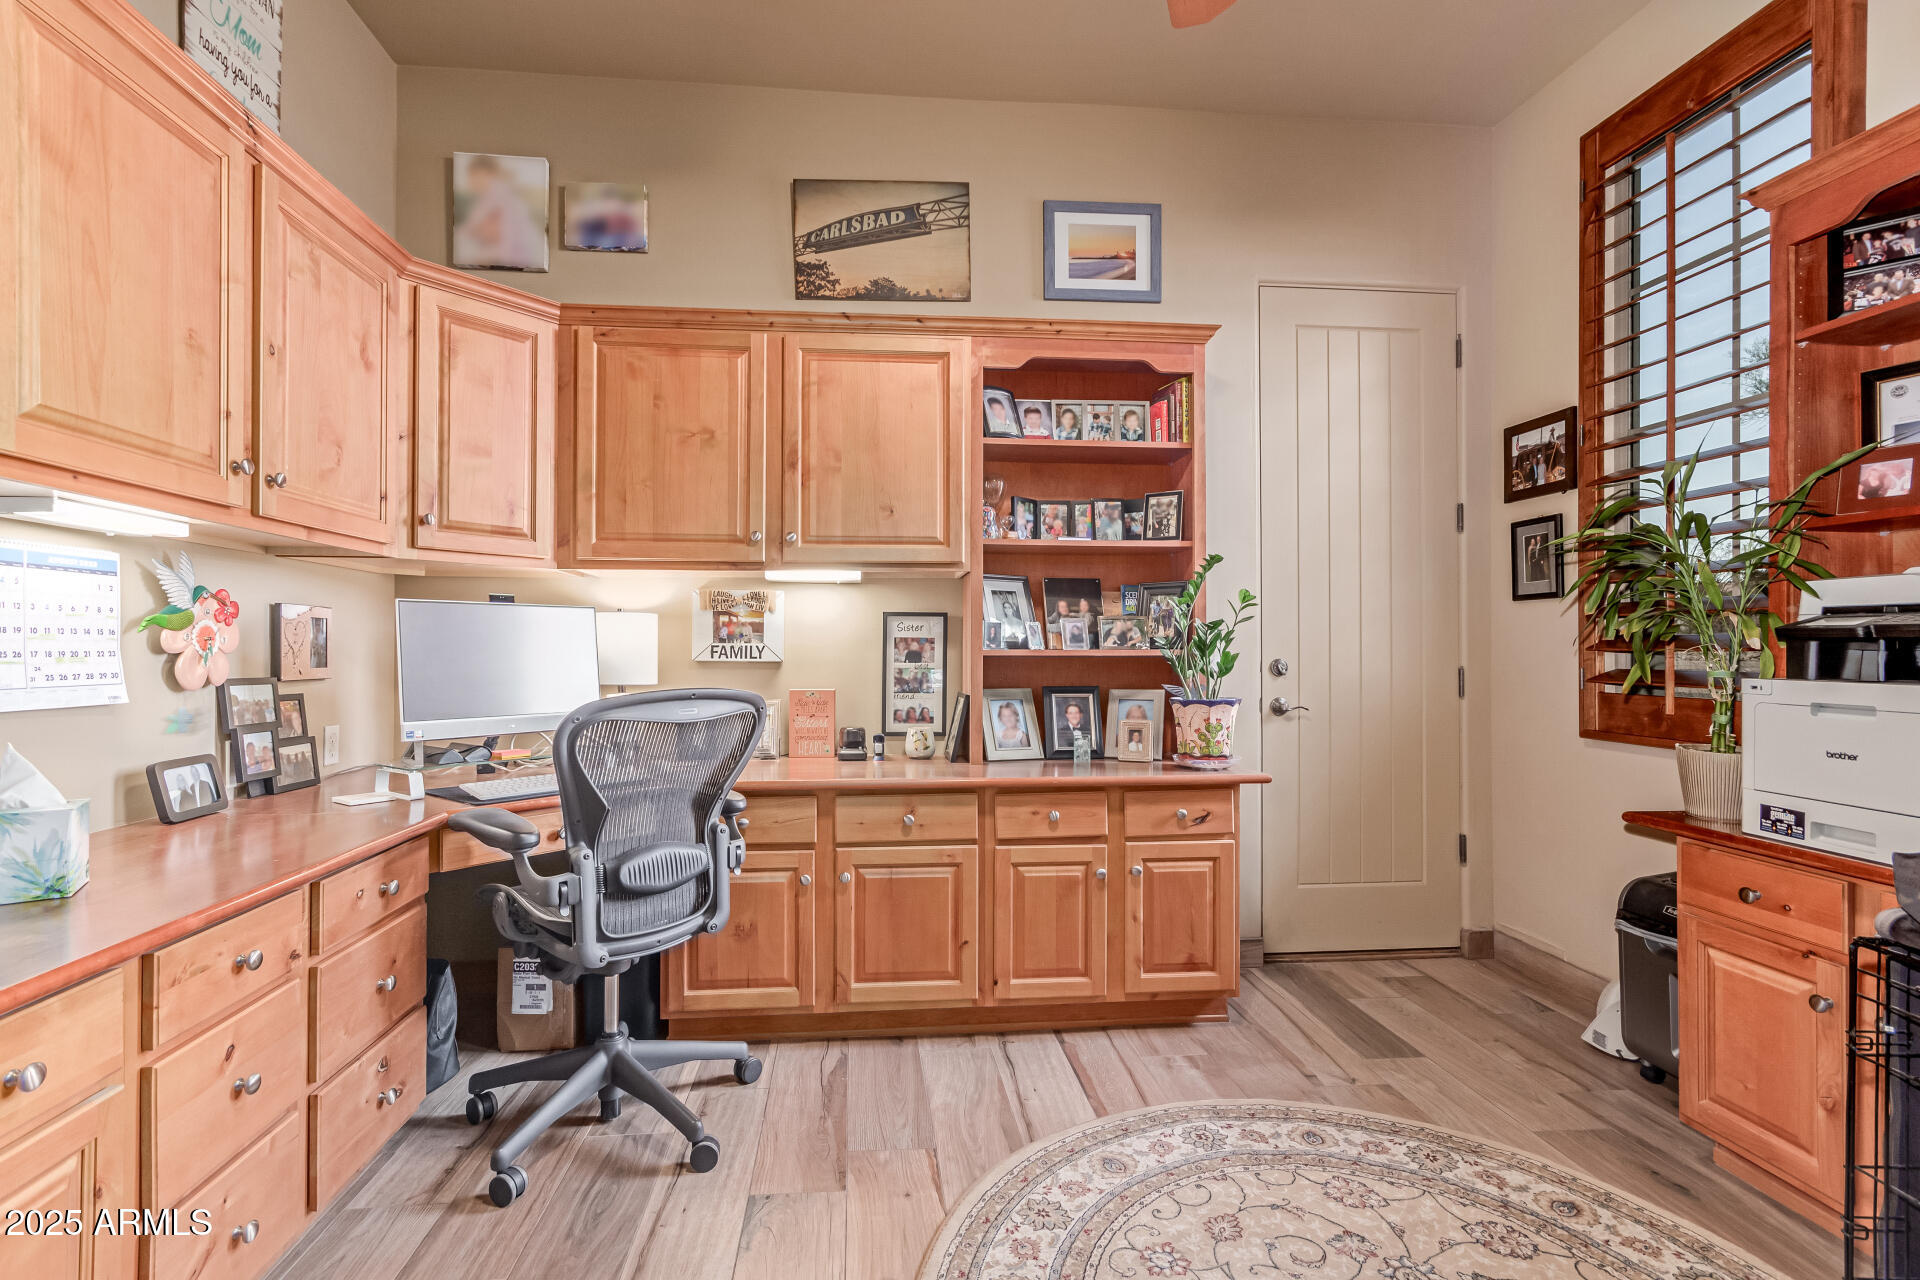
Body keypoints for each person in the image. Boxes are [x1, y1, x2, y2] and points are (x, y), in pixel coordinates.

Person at [454, 154, 545, 269]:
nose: (472, 181)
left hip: (513, 256)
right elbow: (471, 226)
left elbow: (510, 239)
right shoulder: (487, 199)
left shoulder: (503, 200)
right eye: (471, 177)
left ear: (490, 175)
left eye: (476, 176)